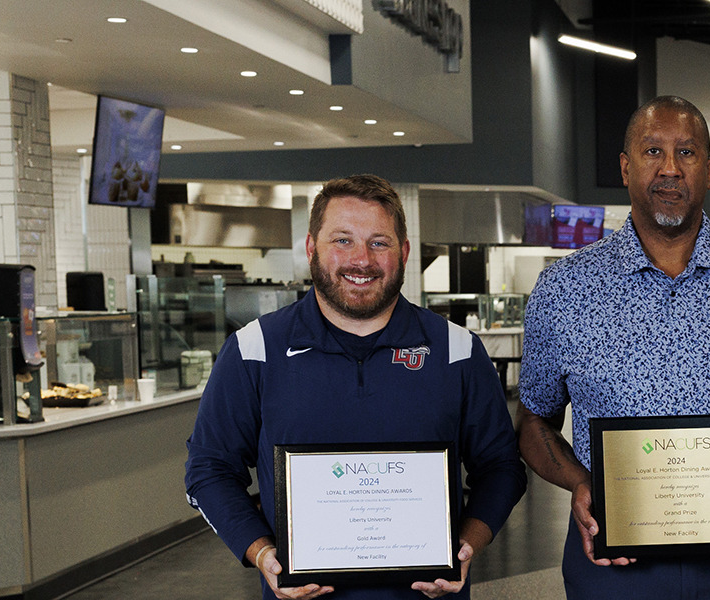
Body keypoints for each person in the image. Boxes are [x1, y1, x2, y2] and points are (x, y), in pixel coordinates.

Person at [515, 96, 710, 598]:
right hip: (611, 553)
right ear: (625, 168)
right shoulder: (564, 288)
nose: (670, 168)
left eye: (687, 152)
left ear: (708, 171)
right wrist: (581, 484)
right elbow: (533, 422)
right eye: (653, 151)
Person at [184, 174, 528, 600]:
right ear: (311, 248)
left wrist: (467, 545)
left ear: (403, 252)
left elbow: (502, 467)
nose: (361, 259)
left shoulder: (457, 350)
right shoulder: (254, 349)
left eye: (379, 242)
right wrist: (262, 553)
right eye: (342, 240)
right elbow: (209, 470)